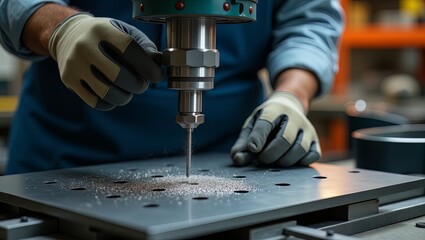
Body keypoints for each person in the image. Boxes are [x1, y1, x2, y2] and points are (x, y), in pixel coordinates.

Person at [0, 0, 344, 174]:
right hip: (68, 158)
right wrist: (61, 29)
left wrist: (291, 96)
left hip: (229, 157)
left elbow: (310, 20)